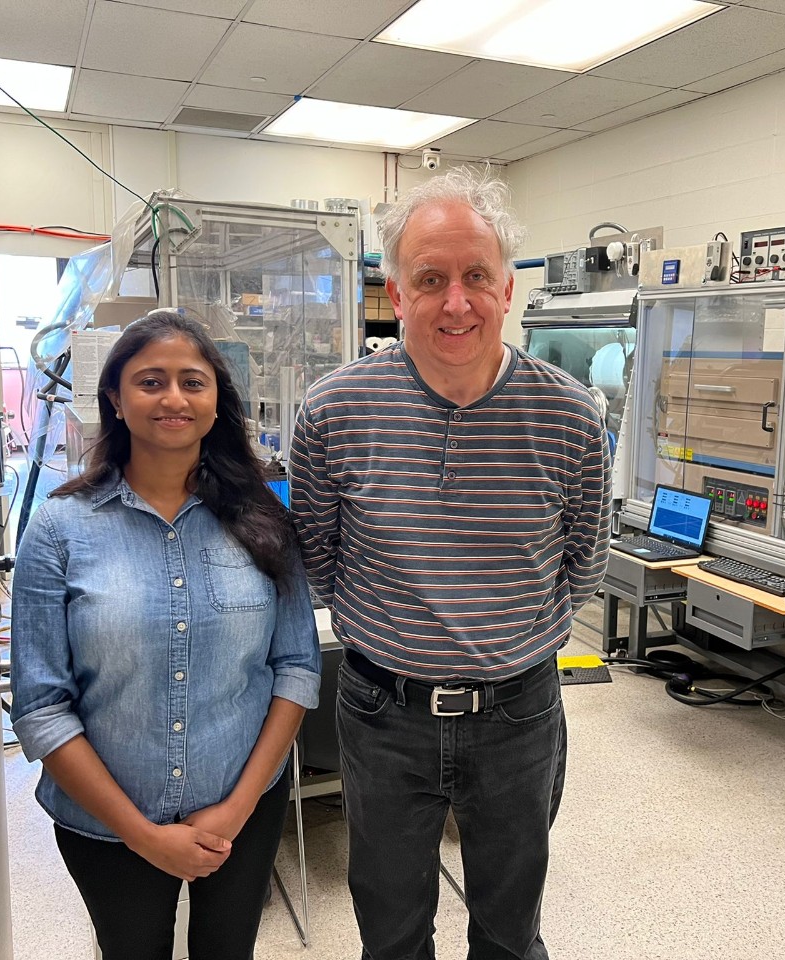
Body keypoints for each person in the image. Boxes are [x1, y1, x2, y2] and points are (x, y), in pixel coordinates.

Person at [289, 167, 612, 960]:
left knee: (510, 933)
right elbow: (318, 559)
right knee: (392, 934)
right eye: (430, 279)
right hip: (383, 711)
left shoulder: (571, 415)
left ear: (508, 288)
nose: (456, 302)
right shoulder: (333, 411)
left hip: (519, 713)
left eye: (475, 277)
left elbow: (585, 563)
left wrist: (501, 637)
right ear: (396, 295)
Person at [10, 310, 320, 960]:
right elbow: (41, 708)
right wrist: (143, 835)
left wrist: (236, 808)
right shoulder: (58, 530)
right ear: (117, 400)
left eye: (192, 381)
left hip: (242, 811)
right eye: (151, 381)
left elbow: (295, 667)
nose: (173, 397)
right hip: (105, 827)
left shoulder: (264, 520)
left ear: (216, 403)